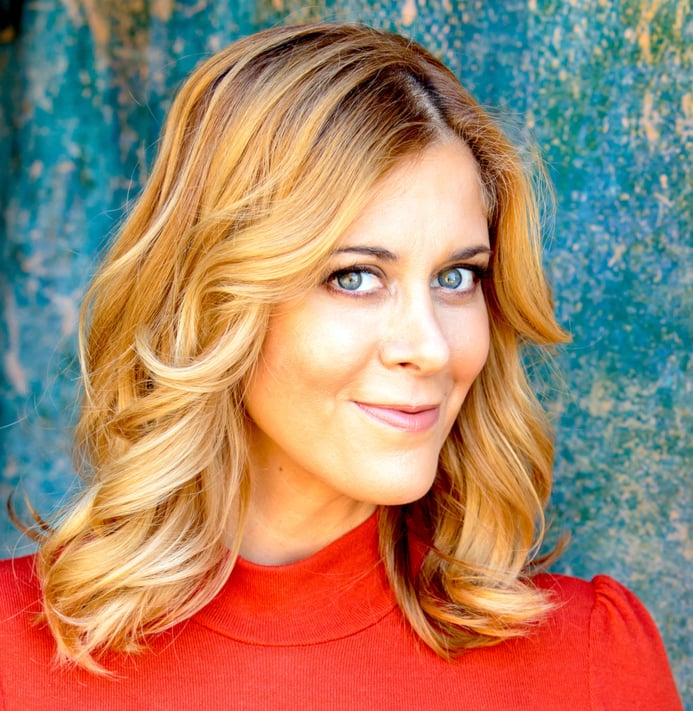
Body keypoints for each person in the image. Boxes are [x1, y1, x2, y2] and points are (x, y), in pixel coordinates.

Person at [0, 22, 682, 710]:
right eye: (354, 277)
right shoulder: (14, 655)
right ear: (215, 304)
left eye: (456, 275)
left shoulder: (588, 659)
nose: (430, 346)